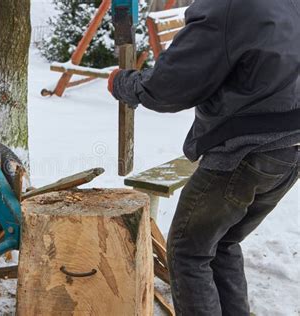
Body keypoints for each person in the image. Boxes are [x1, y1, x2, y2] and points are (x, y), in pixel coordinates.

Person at [108, 0, 299, 315]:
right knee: (221, 243)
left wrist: (124, 84)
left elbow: (170, 86)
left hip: (244, 154)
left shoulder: (228, 8)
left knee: (187, 252)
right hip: (289, 150)